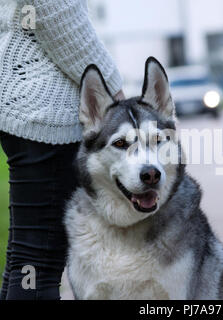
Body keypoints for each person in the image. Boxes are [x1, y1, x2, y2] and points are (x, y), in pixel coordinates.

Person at [0, 0, 124, 299]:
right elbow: (56, 13)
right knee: (37, 264)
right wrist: (115, 96)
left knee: (26, 260)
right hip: (45, 116)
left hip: (27, 110)